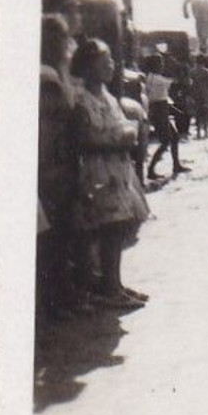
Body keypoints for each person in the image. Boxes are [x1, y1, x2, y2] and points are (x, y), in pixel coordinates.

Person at [71, 38, 150, 312]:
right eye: (104, 61)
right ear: (89, 66)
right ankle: (110, 288)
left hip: (117, 169)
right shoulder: (82, 100)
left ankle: (114, 283)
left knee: (119, 228)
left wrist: (127, 136)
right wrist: (119, 140)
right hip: (98, 170)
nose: (111, 65)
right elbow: (84, 138)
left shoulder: (107, 96)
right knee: (110, 229)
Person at [37, 13, 81, 320]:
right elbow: (48, 133)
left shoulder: (55, 74)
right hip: (53, 170)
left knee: (60, 238)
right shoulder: (47, 78)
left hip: (58, 167)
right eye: (64, 38)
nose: (69, 45)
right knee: (54, 241)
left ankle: (62, 298)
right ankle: (55, 303)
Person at [142, 53, 190, 180]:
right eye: (161, 63)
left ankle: (176, 164)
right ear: (155, 65)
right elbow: (177, 83)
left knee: (174, 137)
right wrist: (177, 66)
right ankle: (151, 169)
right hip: (159, 111)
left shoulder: (150, 78)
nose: (162, 65)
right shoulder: (158, 80)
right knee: (166, 141)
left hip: (159, 109)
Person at [190, 54, 208, 139]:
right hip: (205, 94)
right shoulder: (206, 71)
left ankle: (198, 132)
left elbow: (190, 84)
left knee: (197, 113)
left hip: (195, 94)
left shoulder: (192, 71)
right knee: (205, 113)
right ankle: (206, 131)